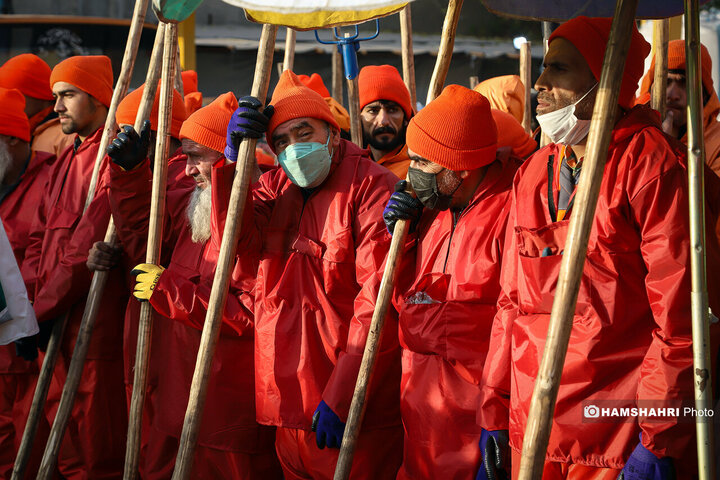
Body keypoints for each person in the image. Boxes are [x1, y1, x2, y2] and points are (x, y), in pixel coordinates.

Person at [476, 16, 718, 480]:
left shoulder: (650, 166)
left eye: (560, 69)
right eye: (544, 68)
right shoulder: (533, 173)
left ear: (605, 80)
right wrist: (494, 406)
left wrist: (661, 433)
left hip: (619, 434)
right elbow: (511, 304)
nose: (540, 84)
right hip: (535, 427)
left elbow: (683, 319)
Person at [217, 70, 403, 479]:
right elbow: (233, 250)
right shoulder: (271, 188)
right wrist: (231, 166)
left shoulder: (374, 188)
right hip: (286, 403)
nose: (293, 148)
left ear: (333, 135)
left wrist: (344, 395)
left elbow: (378, 304)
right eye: (280, 141)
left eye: (304, 132)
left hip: (350, 409)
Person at [91, 90, 282, 479]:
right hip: (175, 394)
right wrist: (130, 176)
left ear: (227, 157)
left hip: (225, 409)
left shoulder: (259, 215)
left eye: (197, 156)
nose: (187, 168)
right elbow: (143, 239)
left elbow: (250, 315)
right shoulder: (195, 204)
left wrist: (167, 290)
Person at [382, 84, 522, 479]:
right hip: (421, 412)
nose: (412, 174)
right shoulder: (433, 209)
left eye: (423, 163)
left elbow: (510, 321)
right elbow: (398, 302)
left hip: (474, 414)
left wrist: (497, 415)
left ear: (459, 167)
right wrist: (399, 241)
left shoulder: (509, 208)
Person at [19, 55, 129, 479]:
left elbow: (86, 248)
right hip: (53, 327)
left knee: (94, 451)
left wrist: (39, 311)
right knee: (61, 450)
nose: (57, 107)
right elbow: (37, 240)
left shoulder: (113, 156)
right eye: (54, 97)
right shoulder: (68, 155)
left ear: (99, 98)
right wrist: (30, 307)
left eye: (68, 95)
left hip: (90, 328)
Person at [0, 87, 54, 478]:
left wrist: (35, 310)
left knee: (24, 447)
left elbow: (49, 255)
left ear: (12, 142)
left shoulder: (49, 180)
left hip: (29, 345)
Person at [636, 39, 720, 178]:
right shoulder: (632, 134)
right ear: (650, 90)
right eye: (666, 82)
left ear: (704, 95)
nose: (672, 95)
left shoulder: (717, 144)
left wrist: (668, 149)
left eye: (684, 83)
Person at [0, 53, 74, 157]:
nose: (6, 100)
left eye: (14, 94)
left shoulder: (61, 135)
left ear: (38, 95)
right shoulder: (32, 127)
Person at [358, 64, 413, 177]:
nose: (383, 121)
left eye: (392, 110)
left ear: (406, 118)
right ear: (359, 118)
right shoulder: (349, 167)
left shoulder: (419, 169)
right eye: (373, 111)